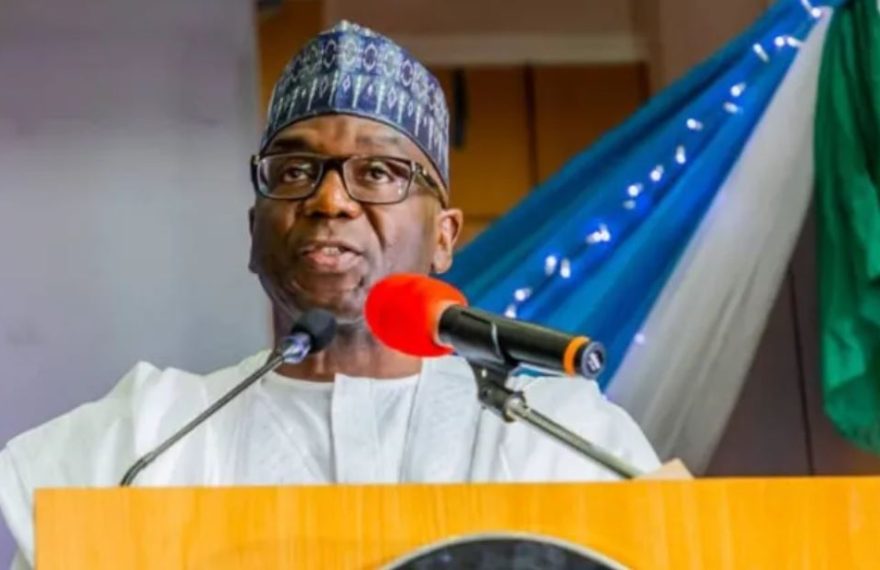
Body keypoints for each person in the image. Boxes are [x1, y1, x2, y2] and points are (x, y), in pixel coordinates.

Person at [0, 21, 660, 569]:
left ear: (444, 236)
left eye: (377, 171)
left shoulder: (560, 436)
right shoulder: (146, 436)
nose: (329, 198)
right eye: (294, 170)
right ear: (254, 227)